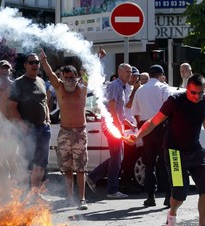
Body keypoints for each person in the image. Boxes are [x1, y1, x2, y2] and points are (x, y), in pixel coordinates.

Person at [126, 74, 205, 226]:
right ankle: (172, 214)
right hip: (174, 152)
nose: (197, 96)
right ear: (187, 88)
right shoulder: (175, 101)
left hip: (195, 151)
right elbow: (153, 122)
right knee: (180, 193)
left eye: (200, 92)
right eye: (193, 92)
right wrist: (137, 136)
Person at [40, 50, 89, 210]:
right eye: (65, 77)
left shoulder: (82, 87)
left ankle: (82, 199)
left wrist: (97, 57)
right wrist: (44, 61)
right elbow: (50, 73)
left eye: (71, 77)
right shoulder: (59, 88)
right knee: (66, 167)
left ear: (76, 77)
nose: (68, 80)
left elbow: (89, 71)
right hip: (64, 132)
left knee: (80, 167)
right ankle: (69, 197)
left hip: (80, 132)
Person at [87, 63, 135, 199]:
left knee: (116, 157)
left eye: (130, 72)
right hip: (112, 126)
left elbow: (120, 110)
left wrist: (127, 123)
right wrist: (118, 126)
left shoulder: (123, 87)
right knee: (117, 158)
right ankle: (112, 190)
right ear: (119, 72)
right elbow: (112, 107)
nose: (129, 74)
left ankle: (92, 177)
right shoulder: (115, 85)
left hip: (115, 125)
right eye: (127, 71)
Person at [8, 53, 50, 201]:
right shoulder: (18, 83)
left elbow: (44, 102)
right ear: (25, 65)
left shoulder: (41, 81)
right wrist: (21, 124)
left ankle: (35, 194)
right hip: (27, 130)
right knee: (26, 163)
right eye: (31, 62)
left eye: (37, 62)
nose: (35, 65)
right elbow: (12, 107)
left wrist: (48, 119)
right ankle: (22, 195)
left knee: (41, 163)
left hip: (43, 128)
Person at [132, 64, 171, 207]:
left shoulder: (140, 90)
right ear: (161, 75)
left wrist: (142, 128)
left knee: (149, 164)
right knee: (165, 163)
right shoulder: (163, 88)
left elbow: (135, 112)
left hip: (146, 126)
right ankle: (168, 196)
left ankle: (150, 196)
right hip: (161, 126)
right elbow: (168, 108)